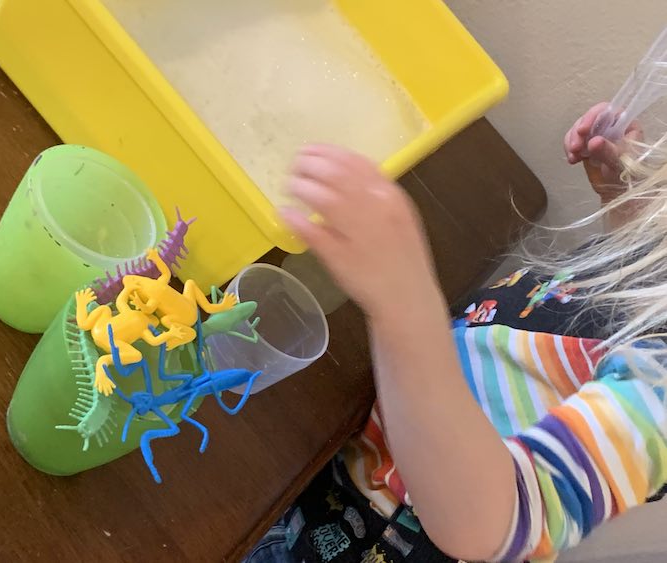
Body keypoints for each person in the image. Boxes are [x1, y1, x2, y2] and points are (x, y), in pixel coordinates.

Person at [243, 102, 667, 563]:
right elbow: (607, 327)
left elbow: (493, 524)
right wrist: (631, 211)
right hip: (335, 469)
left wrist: (404, 301)